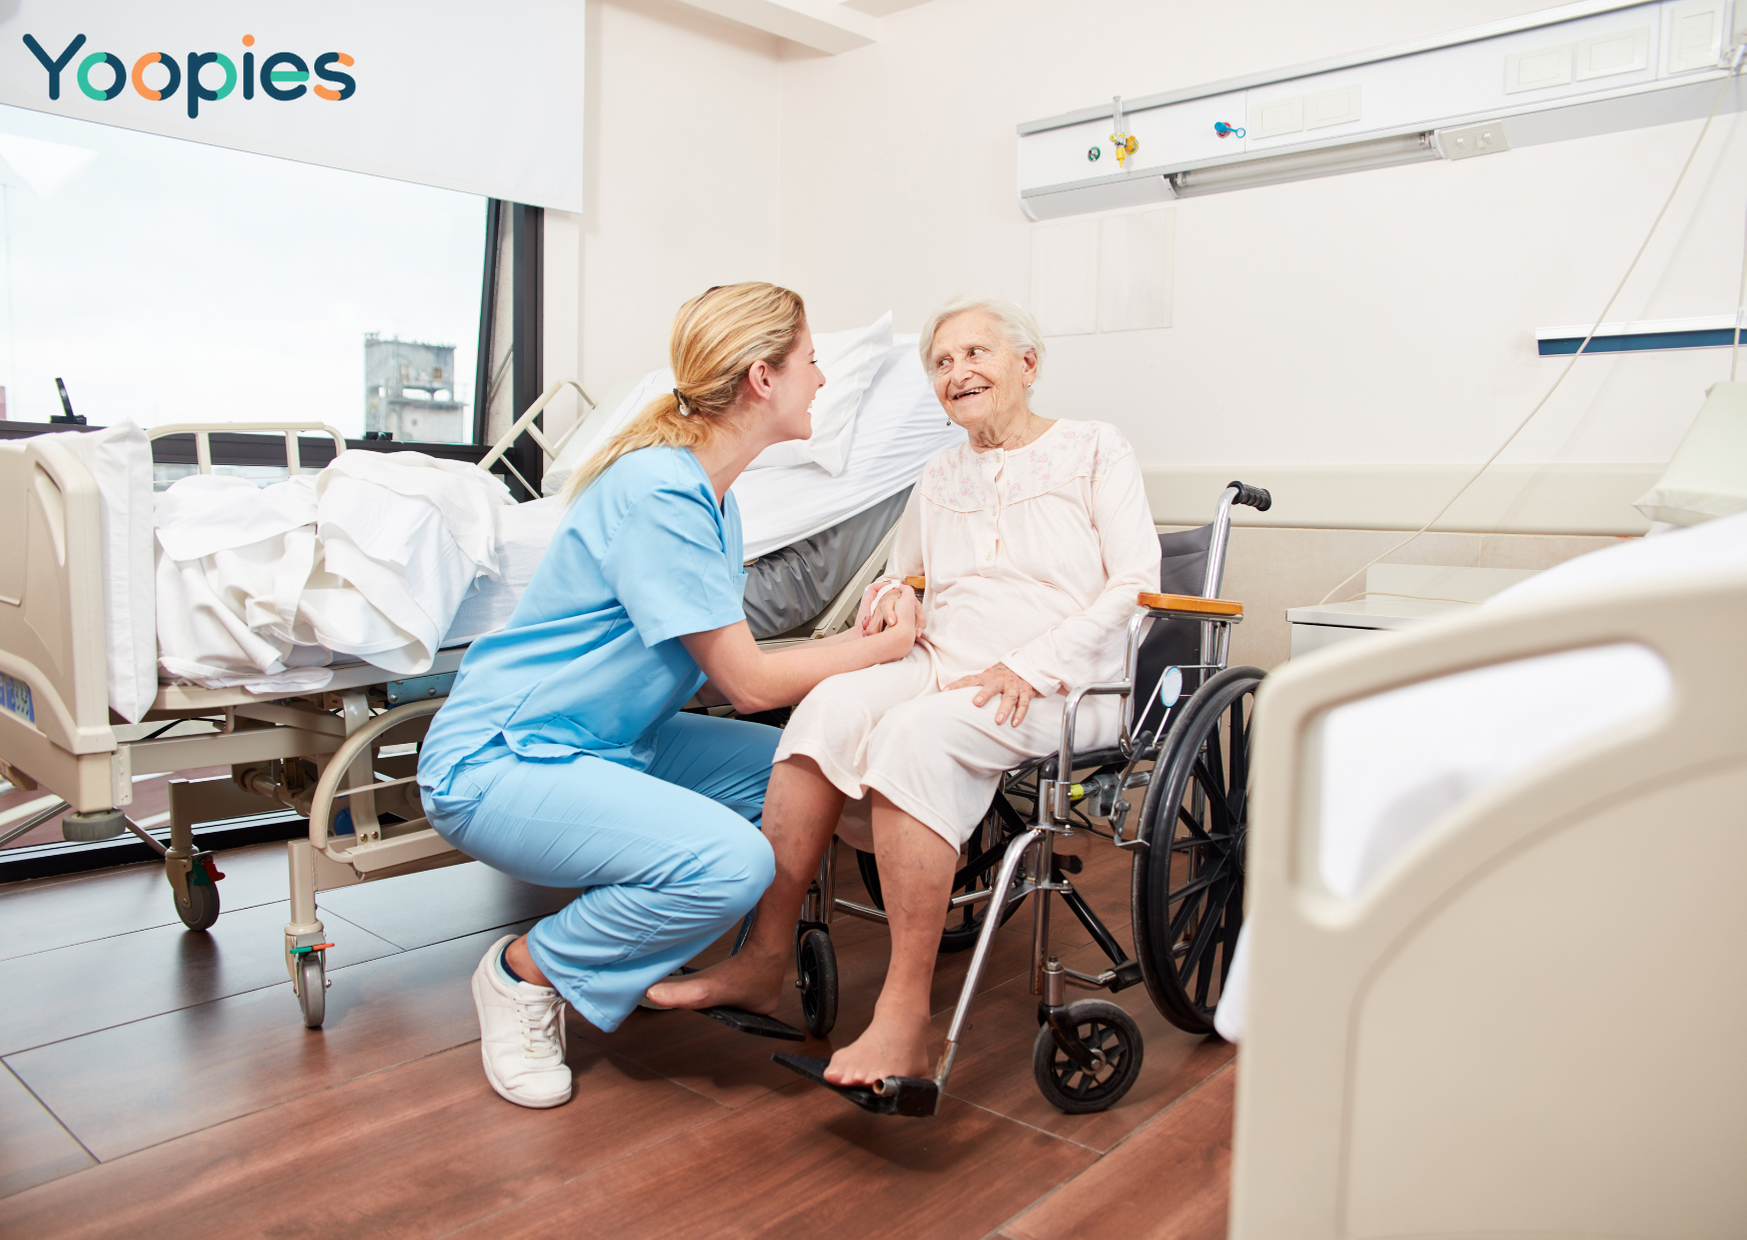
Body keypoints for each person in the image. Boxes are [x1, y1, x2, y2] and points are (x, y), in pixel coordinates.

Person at [417, 282, 921, 1109]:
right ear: (762, 378)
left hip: (612, 743)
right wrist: (880, 648)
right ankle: (522, 974)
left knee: (811, 766)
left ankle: (741, 962)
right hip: (501, 759)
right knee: (730, 864)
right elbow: (747, 683)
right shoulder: (660, 492)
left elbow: (741, 663)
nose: (822, 380)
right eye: (810, 362)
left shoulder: (713, 496)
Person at [654, 294, 1162, 1086]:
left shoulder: (1096, 449)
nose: (956, 372)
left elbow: (1135, 585)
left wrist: (1029, 665)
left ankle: (903, 1017)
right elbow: (905, 570)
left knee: (914, 734)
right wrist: (894, 595)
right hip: (942, 659)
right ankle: (762, 957)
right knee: (824, 710)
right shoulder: (938, 470)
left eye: (975, 354)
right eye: (941, 362)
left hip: (1060, 682)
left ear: (1026, 365)